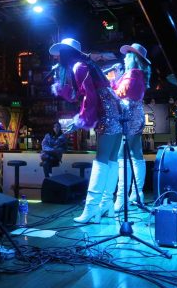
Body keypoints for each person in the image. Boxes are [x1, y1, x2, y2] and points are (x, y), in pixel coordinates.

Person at [49, 38, 122, 223]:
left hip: (106, 112)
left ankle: (91, 209)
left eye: (59, 54)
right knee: (111, 160)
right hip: (115, 109)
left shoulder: (78, 67)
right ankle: (106, 204)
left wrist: (80, 120)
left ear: (65, 54)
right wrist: (61, 85)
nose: (57, 58)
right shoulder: (86, 65)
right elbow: (82, 94)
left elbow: (89, 96)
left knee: (101, 160)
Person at [109, 43, 151, 213]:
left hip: (129, 118)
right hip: (135, 116)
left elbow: (118, 94)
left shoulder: (133, 74)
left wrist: (111, 81)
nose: (124, 58)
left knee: (122, 156)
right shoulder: (136, 74)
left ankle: (122, 199)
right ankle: (136, 193)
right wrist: (117, 78)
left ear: (133, 58)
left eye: (127, 55)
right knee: (136, 155)